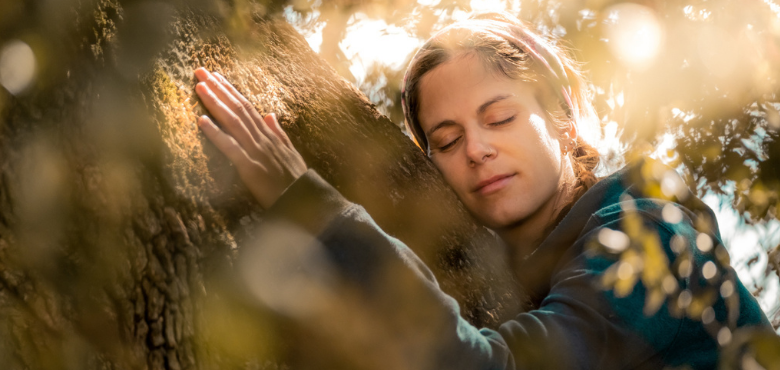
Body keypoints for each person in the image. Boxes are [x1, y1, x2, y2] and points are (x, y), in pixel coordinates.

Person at [192, 12, 772, 370]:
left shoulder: (651, 241)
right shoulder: (510, 279)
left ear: (564, 123)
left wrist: (313, 211)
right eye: (445, 140)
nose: (476, 149)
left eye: (499, 119)